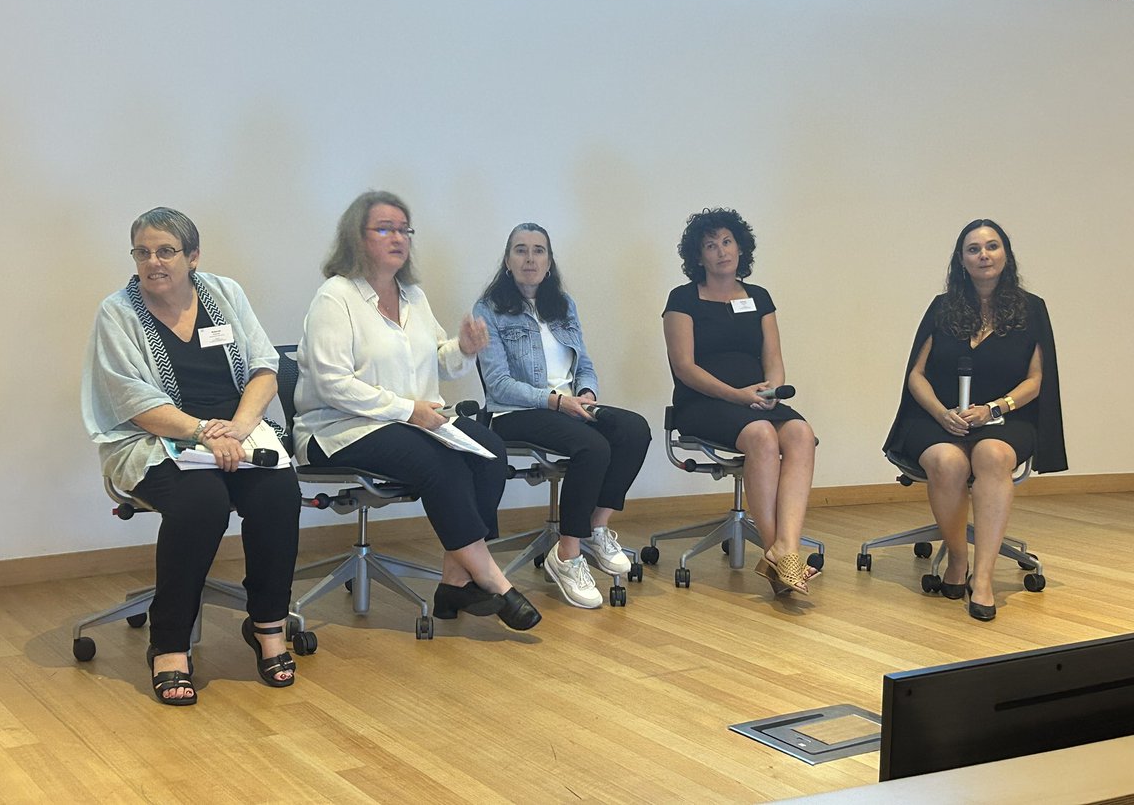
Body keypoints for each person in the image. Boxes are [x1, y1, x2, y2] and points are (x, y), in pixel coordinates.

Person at [292, 191, 541, 631]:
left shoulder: (413, 296)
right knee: (436, 461)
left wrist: (462, 349)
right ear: (357, 237)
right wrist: (408, 411)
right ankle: (490, 577)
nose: (398, 238)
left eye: (404, 229)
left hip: (412, 421)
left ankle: (453, 579)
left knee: (490, 450)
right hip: (339, 430)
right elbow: (333, 384)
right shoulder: (335, 298)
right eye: (385, 228)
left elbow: (439, 361)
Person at [82, 208, 302, 706]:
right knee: (200, 503)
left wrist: (241, 429)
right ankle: (169, 645)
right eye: (142, 252)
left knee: (278, 494)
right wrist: (203, 433)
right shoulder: (117, 311)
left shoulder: (225, 294)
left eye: (166, 251)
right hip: (155, 439)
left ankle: (268, 626)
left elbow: (266, 367)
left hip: (235, 434)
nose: (153, 262)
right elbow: (131, 401)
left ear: (193, 256)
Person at [884, 219, 1066, 621]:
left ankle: (982, 580)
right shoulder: (942, 307)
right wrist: (940, 413)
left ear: (1006, 255)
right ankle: (957, 561)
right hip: (939, 416)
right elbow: (916, 374)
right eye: (973, 249)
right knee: (948, 462)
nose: (983, 255)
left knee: (992, 457)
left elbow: (1036, 380)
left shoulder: (1031, 308)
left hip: (1003, 416)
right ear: (961, 260)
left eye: (992, 246)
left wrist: (995, 408)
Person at [473, 223, 652, 609]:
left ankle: (595, 527)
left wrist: (586, 393)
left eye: (539, 250)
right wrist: (555, 400)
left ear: (550, 261)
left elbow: (584, 363)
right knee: (593, 447)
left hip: (569, 405)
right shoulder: (488, 310)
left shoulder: (563, 305)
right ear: (507, 261)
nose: (530, 258)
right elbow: (499, 384)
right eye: (520, 250)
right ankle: (567, 554)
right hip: (515, 412)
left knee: (635, 429)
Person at [662, 208, 818, 596]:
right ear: (698, 257)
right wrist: (737, 395)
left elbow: (774, 358)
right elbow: (684, 367)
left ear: (740, 247)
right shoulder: (682, 299)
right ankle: (778, 554)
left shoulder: (759, 297)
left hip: (756, 400)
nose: (720, 251)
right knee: (763, 437)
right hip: (704, 402)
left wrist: (772, 390)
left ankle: (787, 548)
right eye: (710, 245)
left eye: (727, 242)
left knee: (799, 432)